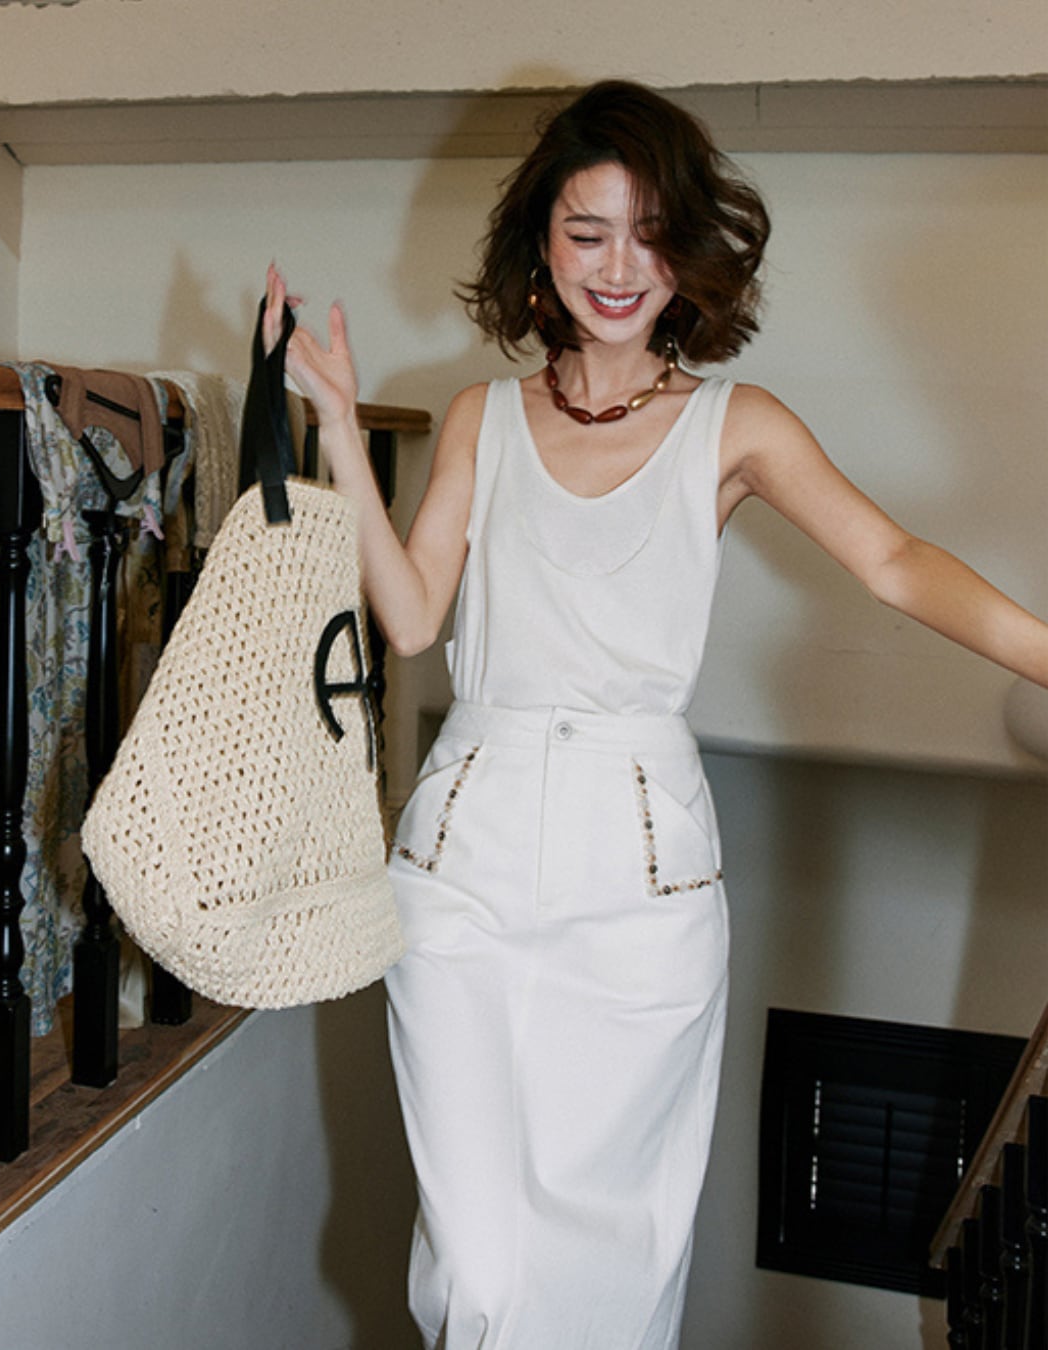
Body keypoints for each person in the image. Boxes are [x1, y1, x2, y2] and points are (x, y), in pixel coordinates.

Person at [262, 80, 1048, 1350]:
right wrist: (343, 431)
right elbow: (409, 619)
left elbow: (897, 563)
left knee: (609, 1263)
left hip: (639, 880)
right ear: (540, 245)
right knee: (476, 1270)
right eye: (588, 233)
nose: (619, 268)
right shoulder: (480, 417)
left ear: (689, 250)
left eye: (650, 233)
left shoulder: (736, 427)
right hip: (461, 863)